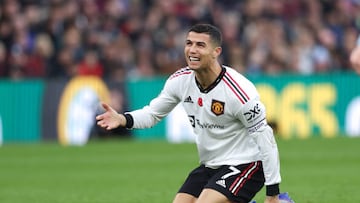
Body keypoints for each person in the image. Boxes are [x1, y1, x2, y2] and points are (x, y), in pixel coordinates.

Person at [96, 24, 282, 203]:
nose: (192, 50)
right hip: (210, 166)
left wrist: (272, 193)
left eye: (200, 45)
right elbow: (152, 114)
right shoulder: (180, 81)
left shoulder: (239, 92)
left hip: (247, 164)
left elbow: (266, 139)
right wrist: (122, 118)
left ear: (216, 52)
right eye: (189, 43)